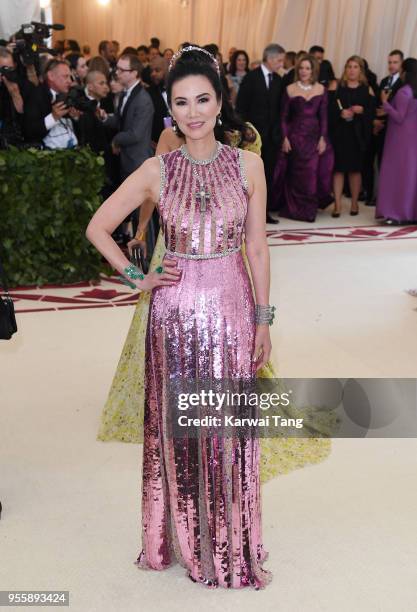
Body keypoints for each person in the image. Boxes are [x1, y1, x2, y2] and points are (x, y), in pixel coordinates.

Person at [86, 45, 274, 590]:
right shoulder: (155, 169)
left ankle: (232, 535)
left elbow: (258, 248)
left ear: (220, 103)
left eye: (204, 100)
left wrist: (264, 319)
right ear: (170, 107)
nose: (193, 112)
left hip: (235, 307)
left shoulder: (249, 165)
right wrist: (136, 279)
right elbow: (100, 227)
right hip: (174, 315)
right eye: (182, 102)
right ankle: (188, 539)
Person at [272, 54, 334, 222]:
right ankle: (294, 209)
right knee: (295, 175)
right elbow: (283, 116)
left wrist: (323, 138)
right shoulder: (290, 89)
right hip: (295, 137)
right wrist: (284, 138)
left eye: (308, 68)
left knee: (311, 174)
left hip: (314, 137)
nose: (304, 71)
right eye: (301, 68)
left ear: (313, 70)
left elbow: (324, 117)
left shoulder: (321, 90)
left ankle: (308, 210)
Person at [236, 43, 285, 224]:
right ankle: (247, 214)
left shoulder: (279, 80)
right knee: (250, 177)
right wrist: (245, 131)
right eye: (279, 60)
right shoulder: (251, 78)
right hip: (252, 137)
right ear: (270, 59)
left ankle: (263, 213)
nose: (281, 64)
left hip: (272, 138)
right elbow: (241, 107)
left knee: (268, 175)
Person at [328, 56, 375, 217]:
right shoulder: (337, 86)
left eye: (355, 67)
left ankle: (354, 203)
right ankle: (337, 205)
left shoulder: (366, 89)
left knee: (355, 170)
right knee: (338, 170)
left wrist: (362, 111)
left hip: (357, 135)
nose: (352, 70)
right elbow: (328, 109)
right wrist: (340, 113)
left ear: (360, 70)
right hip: (340, 133)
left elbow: (372, 113)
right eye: (349, 66)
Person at [375, 58, 417, 224]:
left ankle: (394, 212)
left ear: (405, 72)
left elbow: (399, 117)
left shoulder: (404, 92)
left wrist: (385, 103)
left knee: (395, 174)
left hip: (399, 138)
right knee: (410, 174)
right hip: (413, 138)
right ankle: (411, 212)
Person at [22, 58, 81, 149]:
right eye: (65, 76)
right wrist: (53, 118)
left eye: (70, 77)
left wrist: (75, 118)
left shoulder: (67, 95)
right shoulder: (35, 96)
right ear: (51, 76)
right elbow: (29, 132)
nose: (70, 81)